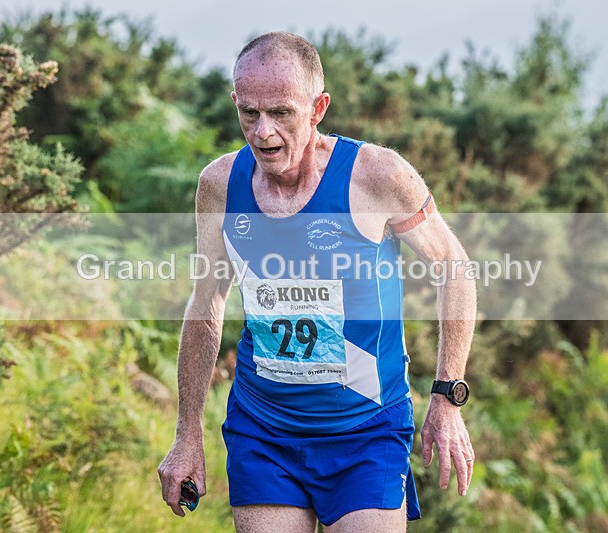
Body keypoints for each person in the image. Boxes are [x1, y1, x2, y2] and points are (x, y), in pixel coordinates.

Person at [158, 31, 477, 532]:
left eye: (281, 113)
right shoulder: (219, 185)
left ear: (318, 108)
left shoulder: (377, 176)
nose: (263, 132)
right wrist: (186, 433)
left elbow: (454, 266)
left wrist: (446, 395)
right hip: (264, 430)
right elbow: (207, 303)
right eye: (249, 113)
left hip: (366, 430)